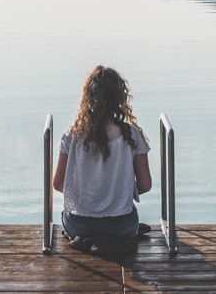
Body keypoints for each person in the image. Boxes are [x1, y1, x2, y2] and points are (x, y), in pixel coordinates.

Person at [52, 65, 153, 255]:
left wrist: (90, 195)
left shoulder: (72, 136)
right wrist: (118, 193)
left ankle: (87, 239)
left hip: (80, 225)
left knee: (67, 219)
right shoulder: (132, 135)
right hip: (120, 225)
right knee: (127, 226)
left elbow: (58, 184)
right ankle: (119, 239)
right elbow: (146, 185)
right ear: (120, 98)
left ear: (88, 97)